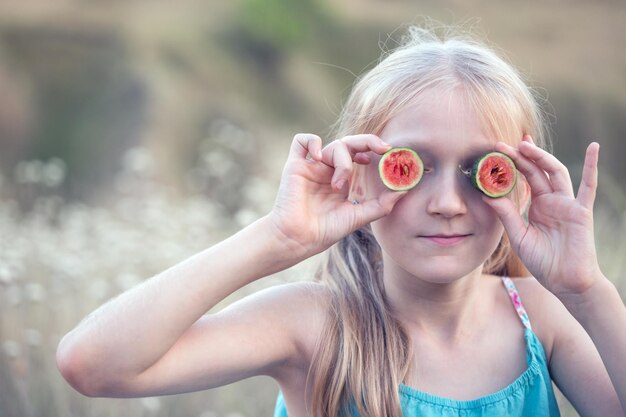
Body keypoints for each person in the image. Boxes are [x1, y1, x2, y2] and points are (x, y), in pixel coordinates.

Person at [56, 25, 626, 417]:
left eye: (483, 170)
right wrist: (276, 239)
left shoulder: (544, 318)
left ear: (521, 184)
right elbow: (93, 364)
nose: (448, 202)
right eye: (413, 166)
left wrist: (588, 291)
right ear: (357, 177)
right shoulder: (315, 326)